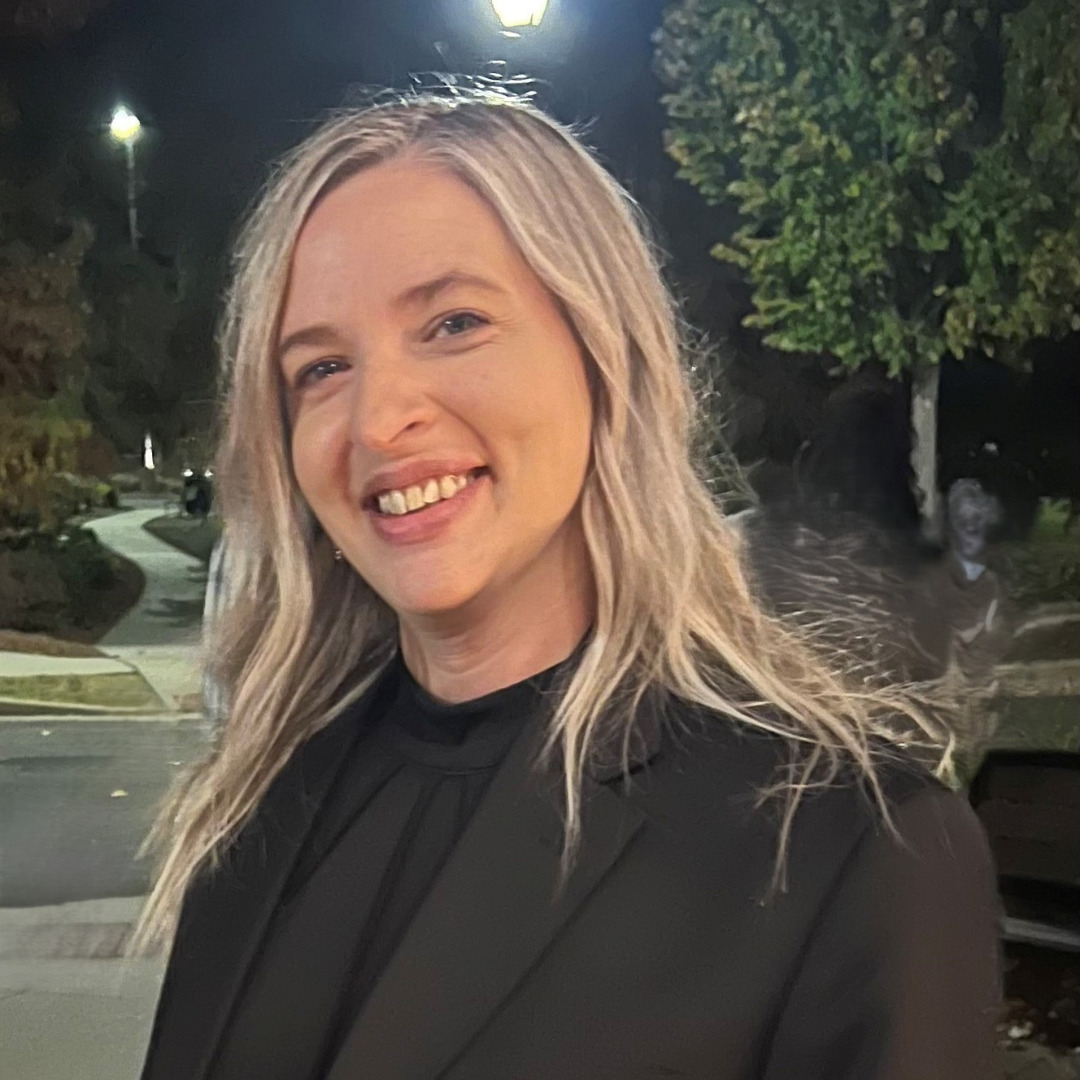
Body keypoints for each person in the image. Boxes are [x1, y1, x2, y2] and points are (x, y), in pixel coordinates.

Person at [134, 92, 1003, 1080]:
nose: (377, 421)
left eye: (454, 323)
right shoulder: (257, 803)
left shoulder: (847, 852)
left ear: (606, 356)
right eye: (321, 368)